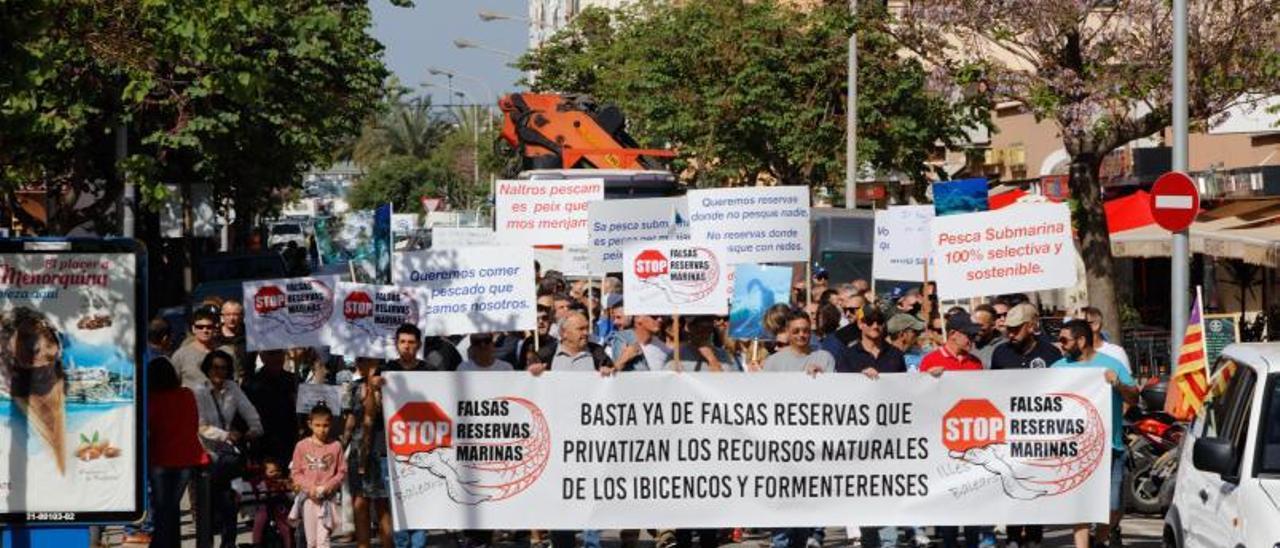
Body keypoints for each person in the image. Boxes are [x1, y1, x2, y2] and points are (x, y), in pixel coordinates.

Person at [1053, 321, 1138, 548]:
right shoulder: (1057, 367)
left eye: (1064, 340)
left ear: (1081, 341)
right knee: (1081, 505)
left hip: (1111, 447)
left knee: (1113, 506)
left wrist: (1118, 384)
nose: (1060, 345)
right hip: (1075, 451)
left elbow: (1134, 398)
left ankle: (1099, 540)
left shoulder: (1111, 365)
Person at [193, 350, 264, 548]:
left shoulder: (232, 388)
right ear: (207, 369)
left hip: (227, 456)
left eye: (224, 368)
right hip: (206, 454)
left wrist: (255, 429)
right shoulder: (198, 391)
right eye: (215, 367)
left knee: (229, 502)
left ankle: (228, 543)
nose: (219, 371)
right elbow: (200, 427)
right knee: (208, 506)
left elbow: (249, 410)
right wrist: (226, 435)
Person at [146, 357, 208, 548]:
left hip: (160, 457)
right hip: (187, 456)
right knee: (170, 508)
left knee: (163, 510)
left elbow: (150, 429)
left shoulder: (150, 400)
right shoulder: (187, 394)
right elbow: (193, 422)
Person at [342, 357, 393, 548]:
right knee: (359, 503)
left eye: (368, 361)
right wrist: (342, 445)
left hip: (380, 451)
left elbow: (373, 414)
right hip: (356, 451)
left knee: (381, 504)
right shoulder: (352, 387)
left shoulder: (387, 385)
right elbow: (350, 420)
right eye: (360, 361)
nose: (363, 365)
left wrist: (374, 388)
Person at [291, 404, 346, 548]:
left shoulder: (336, 446)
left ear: (331, 424)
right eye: (318, 425)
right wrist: (310, 488)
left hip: (327, 499)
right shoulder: (301, 446)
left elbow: (341, 471)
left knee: (323, 540)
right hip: (309, 499)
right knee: (312, 541)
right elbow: (296, 472)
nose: (322, 429)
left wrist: (329, 486)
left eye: (326, 425)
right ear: (310, 424)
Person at [244, 349, 300, 467]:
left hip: (289, 442)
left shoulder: (294, 381)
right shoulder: (251, 383)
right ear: (262, 356)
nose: (276, 358)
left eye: (279, 353)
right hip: (262, 444)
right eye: (271, 353)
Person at [837, 307, 905, 379]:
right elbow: (843, 385)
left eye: (880, 321)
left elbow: (903, 384)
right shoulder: (848, 355)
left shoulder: (896, 354)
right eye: (869, 321)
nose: (875, 326)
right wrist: (860, 377)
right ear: (860, 324)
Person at [991, 303, 1061, 371]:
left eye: (1016, 329)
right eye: (1009, 329)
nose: (1011, 334)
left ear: (1031, 326)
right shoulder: (1000, 352)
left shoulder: (1050, 353)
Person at [758, 311, 833, 374]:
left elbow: (831, 386)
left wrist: (822, 376)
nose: (801, 334)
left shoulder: (824, 358)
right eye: (796, 331)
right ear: (787, 332)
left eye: (805, 330)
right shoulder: (773, 362)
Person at [172, 307, 221, 387]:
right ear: (193, 329)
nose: (205, 330)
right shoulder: (181, 355)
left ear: (214, 329)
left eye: (209, 327)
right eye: (200, 327)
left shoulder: (224, 352)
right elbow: (173, 386)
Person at [250, 457, 294, 548]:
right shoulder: (263, 482)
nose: (275, 474)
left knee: (285, 528)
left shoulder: (283, 482)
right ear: (264, 473)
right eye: (271, 472)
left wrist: (288, 489)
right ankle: (256, 543)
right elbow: (262, 495)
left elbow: (290, 495)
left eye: (277, 471)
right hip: (266, 506)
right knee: (259, 520)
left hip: (279, 508)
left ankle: (289, 545)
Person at [669, 315, 736, 372]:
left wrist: (712, 359)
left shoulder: (722, 354)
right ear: (688, 327)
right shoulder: (677, 355)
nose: (703, 327)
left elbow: (727, 383)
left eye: (708, 321)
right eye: (697, 323)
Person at [1081, 306, 1133, 374]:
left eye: (1082, 324)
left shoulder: (1116, 353)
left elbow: (1127, 382)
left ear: (1096, 325)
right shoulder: (1075, 355)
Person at [220, 299, 251, 381]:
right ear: (222, 316)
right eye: (228, 314)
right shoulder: (215, 337)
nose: (232, 318)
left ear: (242, 316)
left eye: (235, 314)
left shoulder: (250, 335)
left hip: (247, 382)